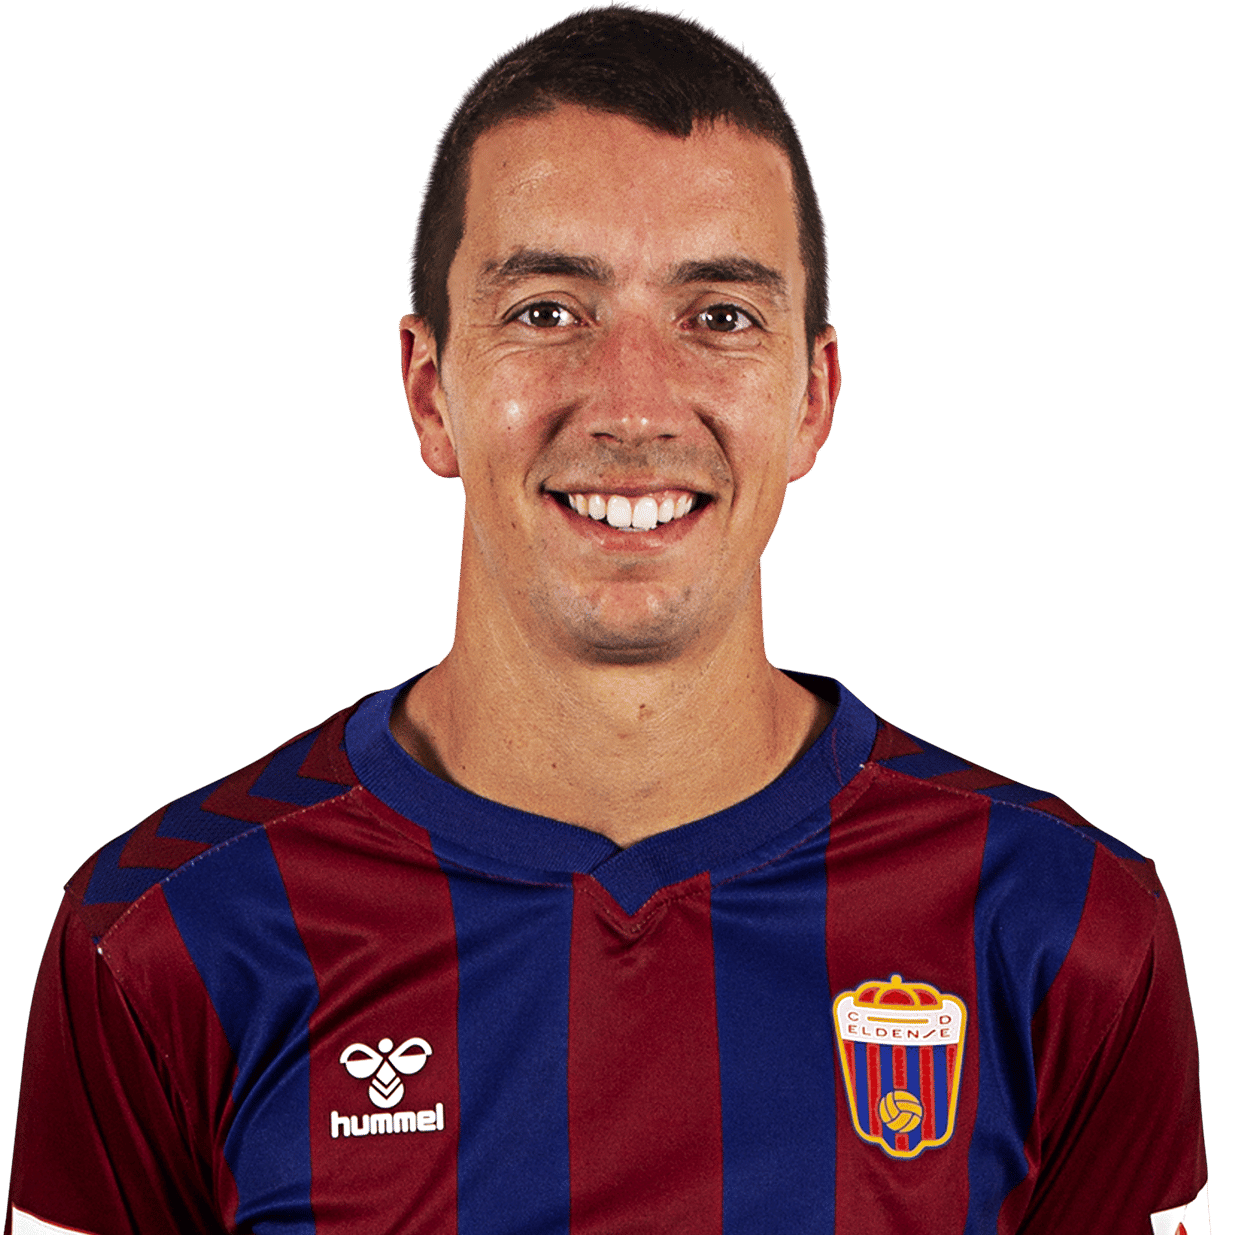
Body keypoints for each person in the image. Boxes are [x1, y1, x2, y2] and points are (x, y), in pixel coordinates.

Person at [5, 5, 1208, 1233]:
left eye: (720, 315)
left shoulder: (1063, 923)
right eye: (546, 310)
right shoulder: (163, 934)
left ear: (811, 397)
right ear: (428, 390)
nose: (634, 404)